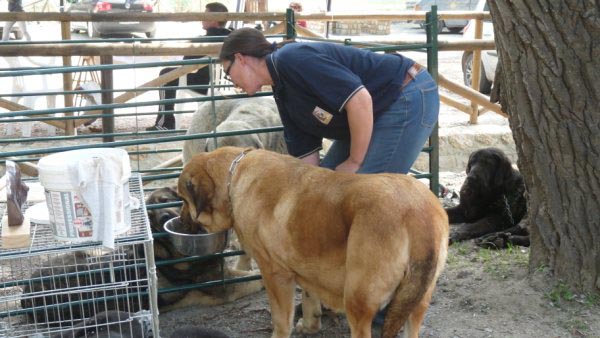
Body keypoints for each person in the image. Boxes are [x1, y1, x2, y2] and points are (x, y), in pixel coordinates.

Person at [218, 27, 439, 175]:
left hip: (404, 95)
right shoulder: (281, 88)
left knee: (361, 192)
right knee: (326, 189)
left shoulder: (291, 58)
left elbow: (360, 100)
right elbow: (307, 159)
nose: (233, 82)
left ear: (240, 58)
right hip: (372, 113)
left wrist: (355, 161)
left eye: (228, 73)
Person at [147, 2, 232, 131]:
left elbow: (187, 61)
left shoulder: (205, 40)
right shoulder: (232, 36)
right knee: (170, 72)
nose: (201, 18)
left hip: (204, 84)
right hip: (225, 84)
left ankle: (165, 123)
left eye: (205, 15)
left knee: (166, 74)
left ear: (215, 19)